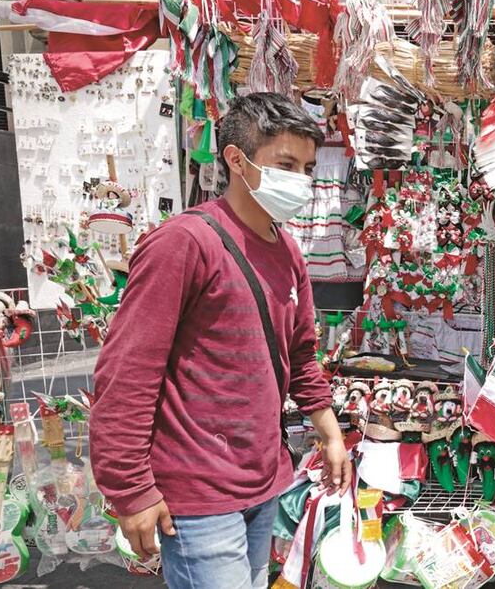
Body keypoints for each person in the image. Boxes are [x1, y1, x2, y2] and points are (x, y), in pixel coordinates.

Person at [90, 92, 350, 589]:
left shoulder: (288, 249)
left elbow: (299, 356)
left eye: (308, 168)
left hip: (263, 480)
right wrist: (130, 489)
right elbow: (127, 372)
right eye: (285, 164)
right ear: (236, 159)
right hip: (197, 494)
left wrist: (330, 432)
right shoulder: (185, 242)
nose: (299, 181)